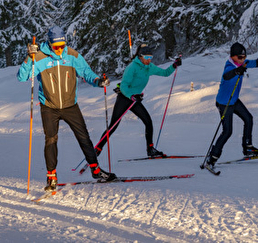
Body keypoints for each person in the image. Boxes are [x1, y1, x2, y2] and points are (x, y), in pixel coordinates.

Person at [17, 26, 116, 191]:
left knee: (84, 138)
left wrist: (98, 81)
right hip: (49, 106)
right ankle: (51, 177)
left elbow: (86, 72)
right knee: (51, 140)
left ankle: (96, 170)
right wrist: (29, 58)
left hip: (70, 106)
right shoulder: (39, 57)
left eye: (62, 45)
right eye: (56, 46)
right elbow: (22, 77)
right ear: (49, 44)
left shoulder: (72, 55)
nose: (60, 49)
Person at [95, 44, 182, 158]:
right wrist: (131, 96)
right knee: (113, 126)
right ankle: (96, 150)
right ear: (140, 57)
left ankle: (150, 149)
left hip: (135, 100)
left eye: (150, 58)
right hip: (124, 99)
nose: (149, 60)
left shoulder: (149, 67)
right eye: (147, 58)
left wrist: (174, 65)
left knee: (148, 122)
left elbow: (164, 73)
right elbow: (124, 86)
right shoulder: (132, 67)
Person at [206, 42, 258, 169]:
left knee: (248, 119)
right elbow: (227, 75)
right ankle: (212, 158)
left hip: (234, 100)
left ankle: (248, 147)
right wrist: (237, 71)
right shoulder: (229, 66)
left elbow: (256, 63)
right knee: (227, 131)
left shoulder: (242, 63)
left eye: (244, 57)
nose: (243, 60)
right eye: (240, 57)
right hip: (224, 103)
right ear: (233, 56)